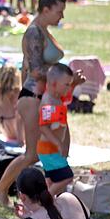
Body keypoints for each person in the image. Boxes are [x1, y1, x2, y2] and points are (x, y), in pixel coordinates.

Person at [0, 0, 75, 207]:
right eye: (59, 11)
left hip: (44, 98)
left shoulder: (43, 30)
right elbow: (36, 69)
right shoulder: (34, 32)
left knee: (53, 148)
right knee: (32, 154)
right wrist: (64, 78)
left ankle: (50, 195)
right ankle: (0, 189)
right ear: (46, 10)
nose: (62, 16)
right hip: (32, 97)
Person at [38, 64, 75, 195]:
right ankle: (45, 199)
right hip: (48, 149)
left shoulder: (57, 97)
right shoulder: (49, 102)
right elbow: (43, 127)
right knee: (67, 177)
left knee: (53, 181)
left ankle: (52, 202)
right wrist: (58, 143)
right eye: (67, 85)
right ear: (54, 84)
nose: (69, 88)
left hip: (51, 148)